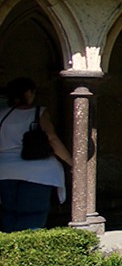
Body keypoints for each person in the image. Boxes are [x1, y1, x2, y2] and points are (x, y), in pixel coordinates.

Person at [0, 77, 72, 231]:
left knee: (9, 213)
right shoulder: (39, 112)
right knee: (32, 215)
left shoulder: (2, 115)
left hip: (4, 170)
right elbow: (52, 138)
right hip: (38, 172)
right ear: (28, 93)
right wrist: (70, 161)